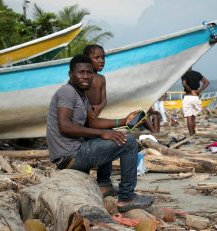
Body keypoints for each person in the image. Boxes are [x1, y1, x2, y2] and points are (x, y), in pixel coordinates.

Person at [46, 54, 154, 213]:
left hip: (75, 152)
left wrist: (124, 121)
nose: (86, 76)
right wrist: (102, 133)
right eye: (81, 72)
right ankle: (127, 198)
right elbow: (65, 126)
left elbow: (93, 122)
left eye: (89, 73)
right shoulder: (67, 92)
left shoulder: (80, 94)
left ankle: (104, 186)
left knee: (111, 133)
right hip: (70, 155)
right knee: (129, 142)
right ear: (71, 74)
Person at [181, 68, 210, 136]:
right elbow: (207, 82)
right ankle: (193, 133)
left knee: (189, 116)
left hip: (188, 96)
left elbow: (184, 84)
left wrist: (191, 90)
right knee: (193, 116)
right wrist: (199, 91)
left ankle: (191, 135)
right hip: (196, 97)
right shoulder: (197, 73)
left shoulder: (184, 74)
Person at [83, 44, 107, 118]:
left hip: (94, 116)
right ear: (87, 59)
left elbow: (104, 100)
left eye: (103, 57)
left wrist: (99, 107)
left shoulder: (102, 78)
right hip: (83, 117)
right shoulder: (83, 78)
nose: (101, 61)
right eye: (97, 58)